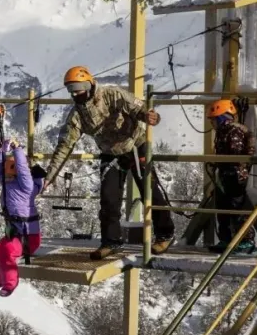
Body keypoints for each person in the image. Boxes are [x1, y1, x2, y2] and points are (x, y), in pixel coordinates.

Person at [43, 66, 175, 260]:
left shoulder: (112, 94)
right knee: (108, 198)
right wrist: (50, 176)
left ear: (89, 85)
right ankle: (111, 241)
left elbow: (139, 108)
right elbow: (65, 145)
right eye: (72, 91)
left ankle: (165, 234)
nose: (76, 95)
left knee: (149, 189)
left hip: (136, 145)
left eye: (79, 90)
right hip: (110, 153)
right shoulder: (77, 115)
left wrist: (150, 116)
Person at [0, 137, 44, 296]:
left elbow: (23, 169)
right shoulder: (7, 182)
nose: (7, 172)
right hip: (15, 233)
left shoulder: (26, 186)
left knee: (5, 253)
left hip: (28, 237)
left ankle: (10, 283)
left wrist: (17, 149)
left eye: (11, 168)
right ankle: (3, 278)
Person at [205, 99, 256, 254]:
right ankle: (226, 239)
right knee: (223, 207)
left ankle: (246, 240)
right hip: (225, 174)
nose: (212, 123)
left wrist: (226, 166)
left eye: (213, 120)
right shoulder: (222, 132)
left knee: (237, 206)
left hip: (235, 175)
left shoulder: (233, 131)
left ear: (221, 117)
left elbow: (235, 154)